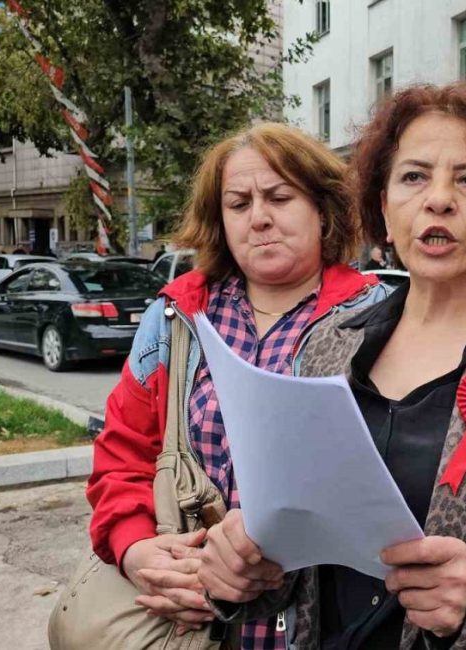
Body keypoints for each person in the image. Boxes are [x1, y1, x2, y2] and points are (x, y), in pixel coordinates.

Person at [195, 83, 466, 649]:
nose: (438, 199)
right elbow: (297, 558)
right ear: (384, 209)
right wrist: (245, 565)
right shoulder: (330, 344)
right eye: (413, 177)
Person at [85, 122, 387, 650]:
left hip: (322, 621)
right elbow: (122, 455)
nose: (260, 217)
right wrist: (136, 550)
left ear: (323, 209)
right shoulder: (175, 320)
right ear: (219, 219)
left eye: (279, 197)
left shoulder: (377, 317)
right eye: (239, 203)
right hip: (189, 619)